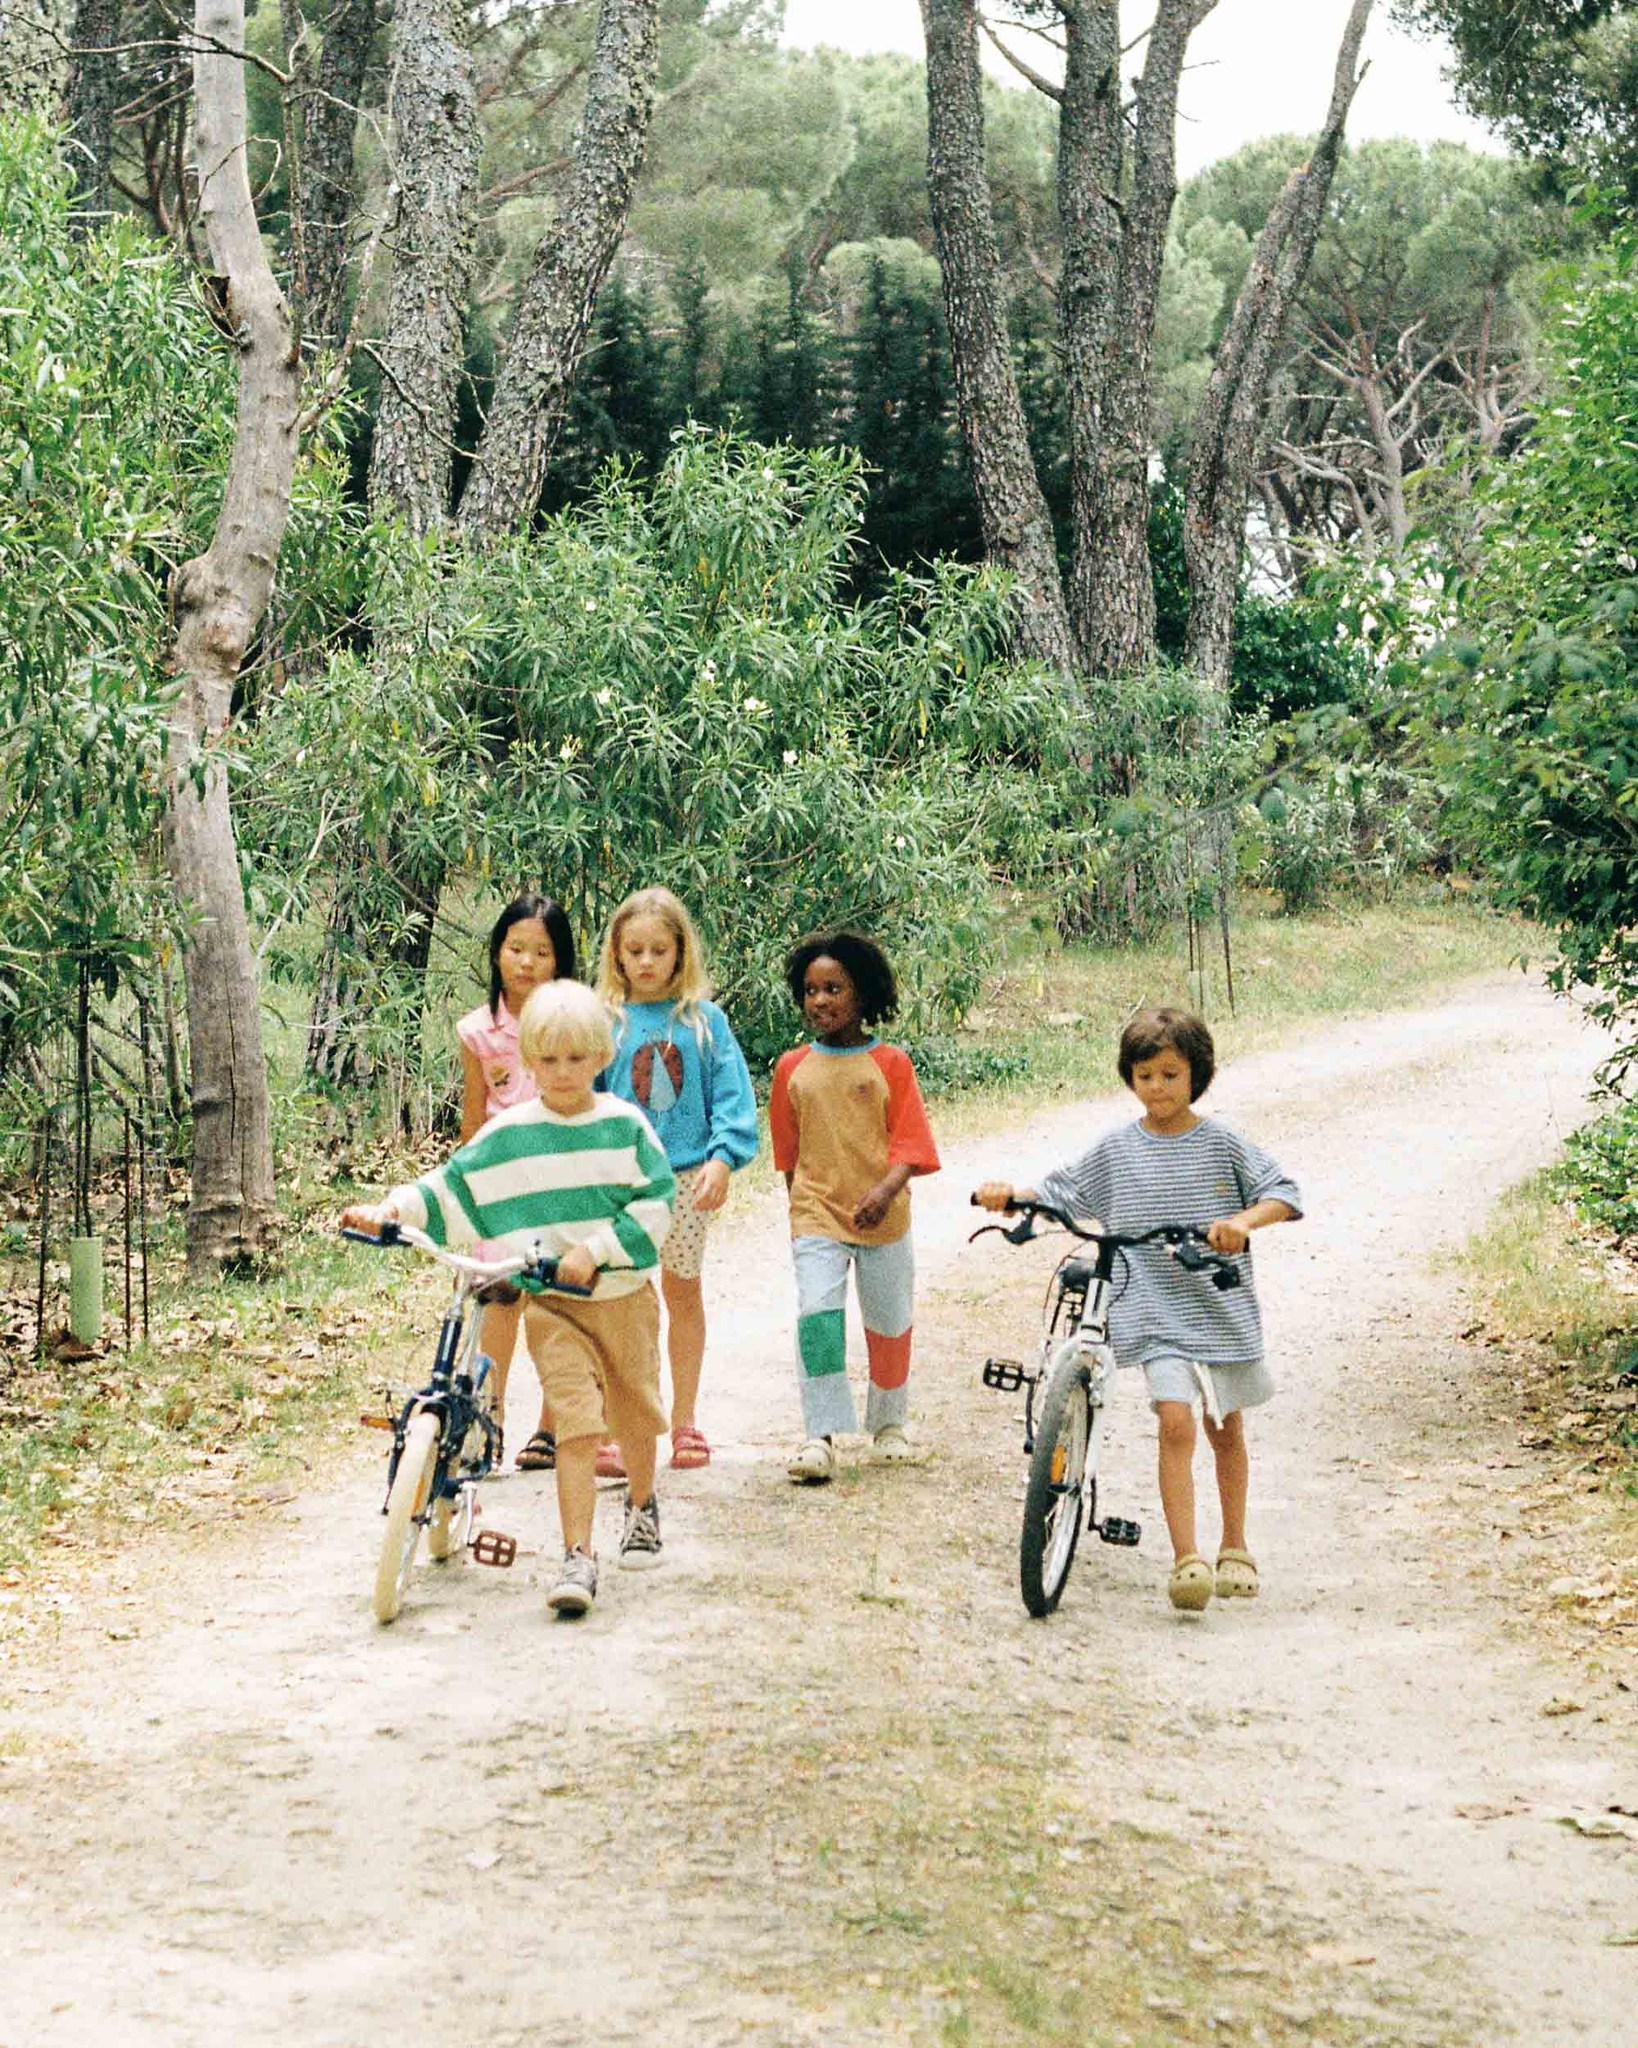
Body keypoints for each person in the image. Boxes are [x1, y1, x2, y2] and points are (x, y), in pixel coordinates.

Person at [344, 980, 675, 1619]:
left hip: (624, 1294)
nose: (561, 1073)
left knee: (634, 1412)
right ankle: (578, 1554)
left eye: (577, 1059)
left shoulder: (624, 1128)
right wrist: (390, 1209)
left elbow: (658, 1200)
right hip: (551, 1302)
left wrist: (598, 1248)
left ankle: (640, 1502)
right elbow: (455, 1187)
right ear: (527, 1059)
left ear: (602, 1056)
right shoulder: (513, 1134)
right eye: (547, 1060)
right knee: (577, 1426)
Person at [975, 1005, 1300, 1613]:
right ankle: (1187, 1559)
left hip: (1217, 1302)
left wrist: (1240, 1223)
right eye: (1145, 1075)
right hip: (1152, 1310)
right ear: (1130, 1078)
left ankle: (1235, 1543)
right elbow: (1061, 1191)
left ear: (1196, 1075)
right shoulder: (1117, 1149)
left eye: (1171, 1075)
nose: (1158, 1087)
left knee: (1225, 1428)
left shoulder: (1222, 1141)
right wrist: (1010, 1195)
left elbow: (1283, 1191)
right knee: (1174, 1421)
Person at [595, 887, 758, 1472]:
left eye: (658, 950)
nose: (645, 961)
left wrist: (723, 1158)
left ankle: (684, 1422)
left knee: (682, 1292)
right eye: (633, 950)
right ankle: (621, 1426)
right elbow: (582, 1102)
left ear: (679, 952)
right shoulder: (604, 1024)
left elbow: (733, 1098)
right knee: (619, 1299)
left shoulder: (704, 1023)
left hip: (687, 1179)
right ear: (616, 954)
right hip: (620, 1184)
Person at [770, 931, 940, 1483]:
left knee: (889, 1323)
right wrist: (803, 1213)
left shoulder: (890, 1064)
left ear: (862, 995)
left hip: (884, 1216)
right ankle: (819, 1434)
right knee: (816, 1318)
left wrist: (884, 1192)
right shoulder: (791, 1069)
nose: (820, 1000)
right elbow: (789, 1156)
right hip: (817, 1217)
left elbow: (911, 1142)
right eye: (811, 990)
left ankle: (889, 1428)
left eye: (834, 988)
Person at [454, 894, 577, 1473]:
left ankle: (550, 1429)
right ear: (498, 952)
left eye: (541, 953)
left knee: (554, 1306)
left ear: (561, 961)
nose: (526, 963)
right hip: (501, 1186)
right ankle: (488, 1421)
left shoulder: (575, 1022)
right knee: (499, 1299)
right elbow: (472, 1118)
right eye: (515, 949)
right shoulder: (478, 1031)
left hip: (564, 1184)